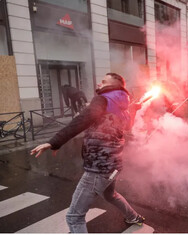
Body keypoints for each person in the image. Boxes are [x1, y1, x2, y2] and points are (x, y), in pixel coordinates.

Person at [31, 73, 145, 233]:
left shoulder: (103, 99)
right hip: (114, 168)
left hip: (98, 169)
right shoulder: (123, 106)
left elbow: (81, 121)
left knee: (74, 217)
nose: (99, 83)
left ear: (115, 85)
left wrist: (53, 142)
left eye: (104, 81)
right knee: (110, 195)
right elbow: (127, 126)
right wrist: (133, 109)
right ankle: (134, 218)